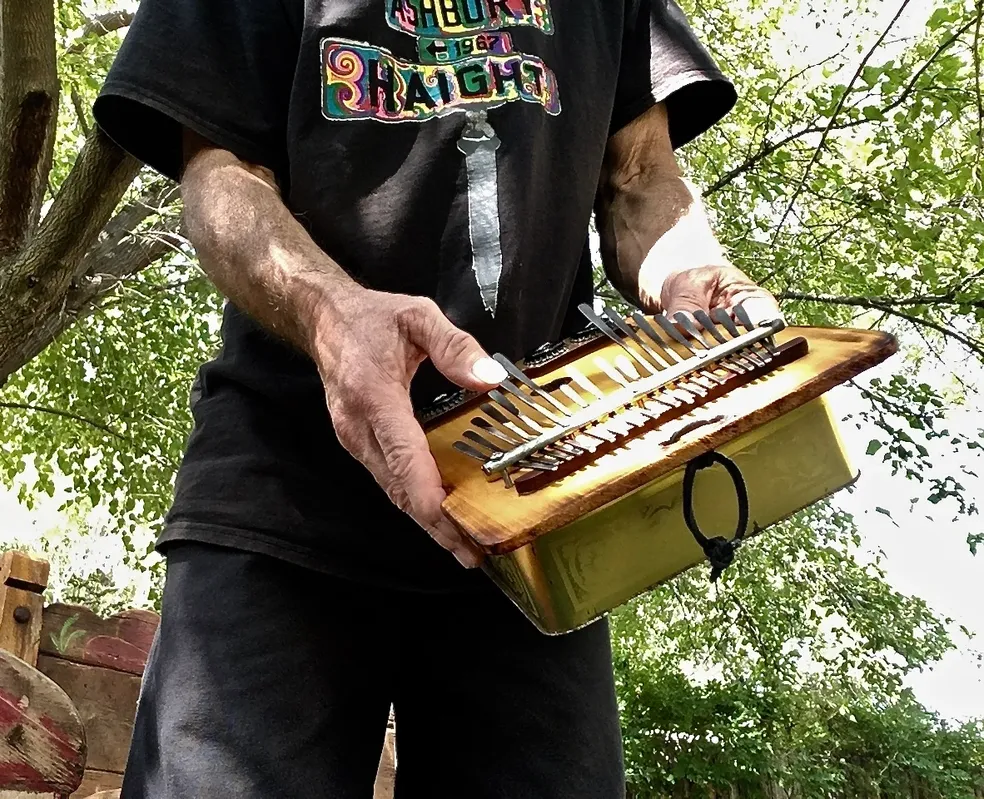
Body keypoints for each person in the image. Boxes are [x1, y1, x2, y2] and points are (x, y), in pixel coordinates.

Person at [92, 0, 781, 796]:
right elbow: (218, 178)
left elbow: (640, 177)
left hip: (530, 505)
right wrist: (331, 314)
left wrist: (694, 273)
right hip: (280, 498)